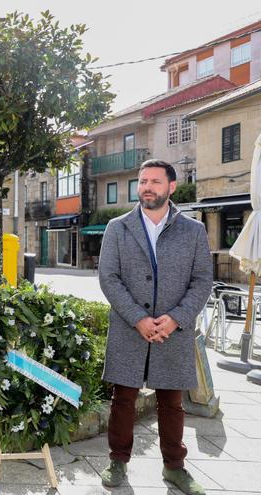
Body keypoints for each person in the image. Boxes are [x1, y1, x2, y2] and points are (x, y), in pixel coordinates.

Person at [98, 160, 213, 495]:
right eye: (143, 181)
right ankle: (117, 461)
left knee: (172, 403)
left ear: (171, 187)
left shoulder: (193, 230)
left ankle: (174, 467)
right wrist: (138, 318)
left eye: (155, 181)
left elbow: (202, 280)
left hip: (173, 330)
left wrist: (177, 317)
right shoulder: (117, 227)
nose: (147, 187)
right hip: (128, 328)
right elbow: (109, 278)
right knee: (123, 400)